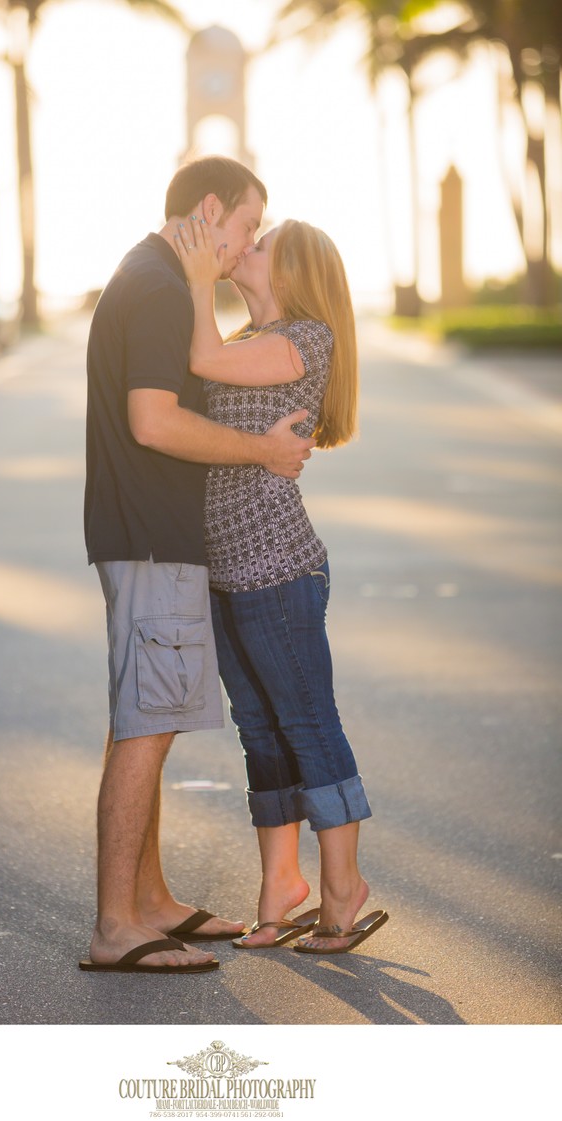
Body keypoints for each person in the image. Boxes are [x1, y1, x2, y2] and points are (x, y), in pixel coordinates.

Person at [80, 158, 315, 974]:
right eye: (249, 226)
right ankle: (118, 927)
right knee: (144, 731)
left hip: (149, 537)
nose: (247, 243)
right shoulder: (152, 287)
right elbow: (154, 422)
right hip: (151, 537)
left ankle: (149, 903)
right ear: (211, 208)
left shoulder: (154, 277)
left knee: (145, 720)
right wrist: (263, 452)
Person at [174, 216, 388, 954]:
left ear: (292, 274)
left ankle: (342, 888)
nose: (244, 248)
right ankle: (280, 887)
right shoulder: (240, 341)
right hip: (223, 570)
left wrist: (198, 280)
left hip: (277, 568)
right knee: (258, 729)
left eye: (259, 244)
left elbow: (196, 357)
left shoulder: (304, 340)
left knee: (306, 726)